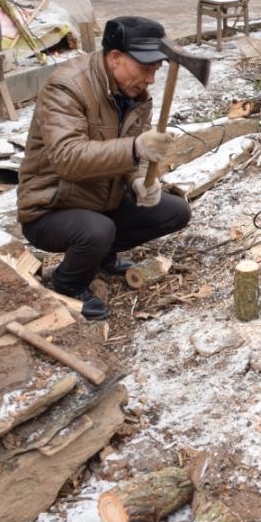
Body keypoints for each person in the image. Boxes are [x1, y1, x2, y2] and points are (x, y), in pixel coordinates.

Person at [17, 16, 190, 320]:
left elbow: (134, 157)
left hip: (101, 199)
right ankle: (67, 283)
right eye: (146, 69)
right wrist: (136, 149)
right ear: (115, 58)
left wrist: (139, 181)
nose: (150, 80)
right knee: (98, 230)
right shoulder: (66, 87)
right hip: (52, 206)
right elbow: (67, 158)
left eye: (156, 71)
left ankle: (101, 256)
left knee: (175, 211)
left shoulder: (136, 95)